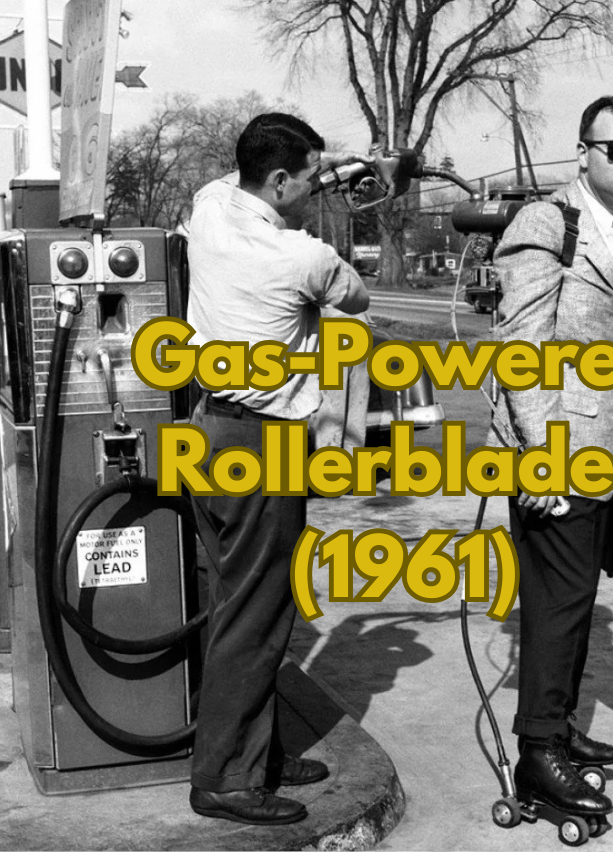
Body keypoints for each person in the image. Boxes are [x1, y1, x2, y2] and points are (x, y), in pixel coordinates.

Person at [184, 113, 370, 825]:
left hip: (207, 433)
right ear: (282, 180)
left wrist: (337, 169)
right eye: (311, 178)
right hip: (264, 449)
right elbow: (355, 297)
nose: (319, 187)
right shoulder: (303, 257)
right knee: (257, 618)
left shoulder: (209, 208)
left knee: (234, 603)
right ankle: (227, 778)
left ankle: (253, 752)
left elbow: (235, 184)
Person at [491, 94, 613, 819]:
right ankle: (538, 758)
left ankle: (558, 731)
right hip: (554, 449)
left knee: (578, 599)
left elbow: (609, 344)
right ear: (582, 152)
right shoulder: (547, 223)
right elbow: (520, 352)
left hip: (600, 444)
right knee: (556, 607)